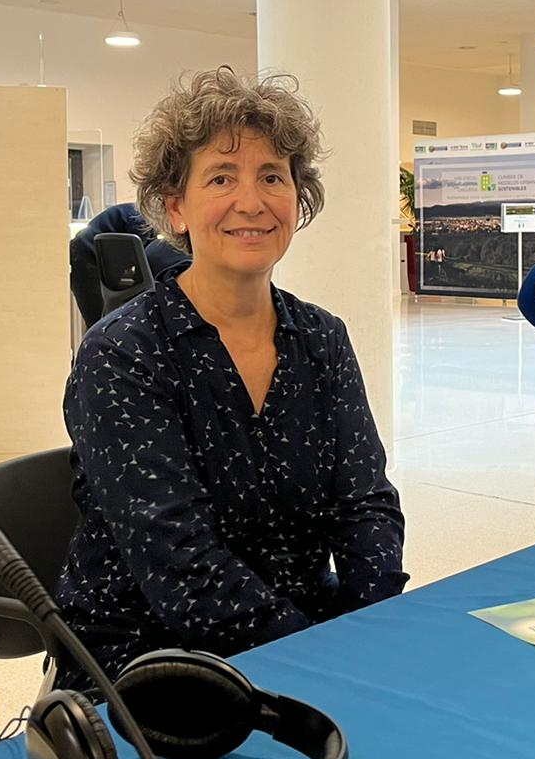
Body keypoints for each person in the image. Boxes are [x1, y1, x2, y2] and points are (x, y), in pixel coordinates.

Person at [53, 68, 407, 688]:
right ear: (176, 207)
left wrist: (369, 628)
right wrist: (324, 662)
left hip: (305, 631)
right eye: (221, 177)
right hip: (151, 658)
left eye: (272, 176)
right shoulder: (124, 353)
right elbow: (179, 564)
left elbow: (365, 505)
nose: (252, 202)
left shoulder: (321, 337)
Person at [69, 202, 186, 325]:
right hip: (85, 255)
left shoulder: (137, 215)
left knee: (100, 323)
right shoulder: (141, 220)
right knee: (102, 322)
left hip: (82, 255)